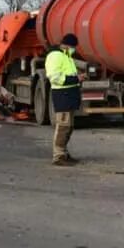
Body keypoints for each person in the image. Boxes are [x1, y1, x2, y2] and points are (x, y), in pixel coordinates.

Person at [45, 33, 84, 166]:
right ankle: (58, 156)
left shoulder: (66, 56)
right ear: (67, 45)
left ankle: (64, 153)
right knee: (62, 126)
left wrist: (78, 77)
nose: (74, 49)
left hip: (70, 94)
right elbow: (54, 77)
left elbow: (68, 73)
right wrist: (76, 78)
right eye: (73, 46)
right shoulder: (55, 56)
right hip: (62, 94)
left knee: (69, 126)